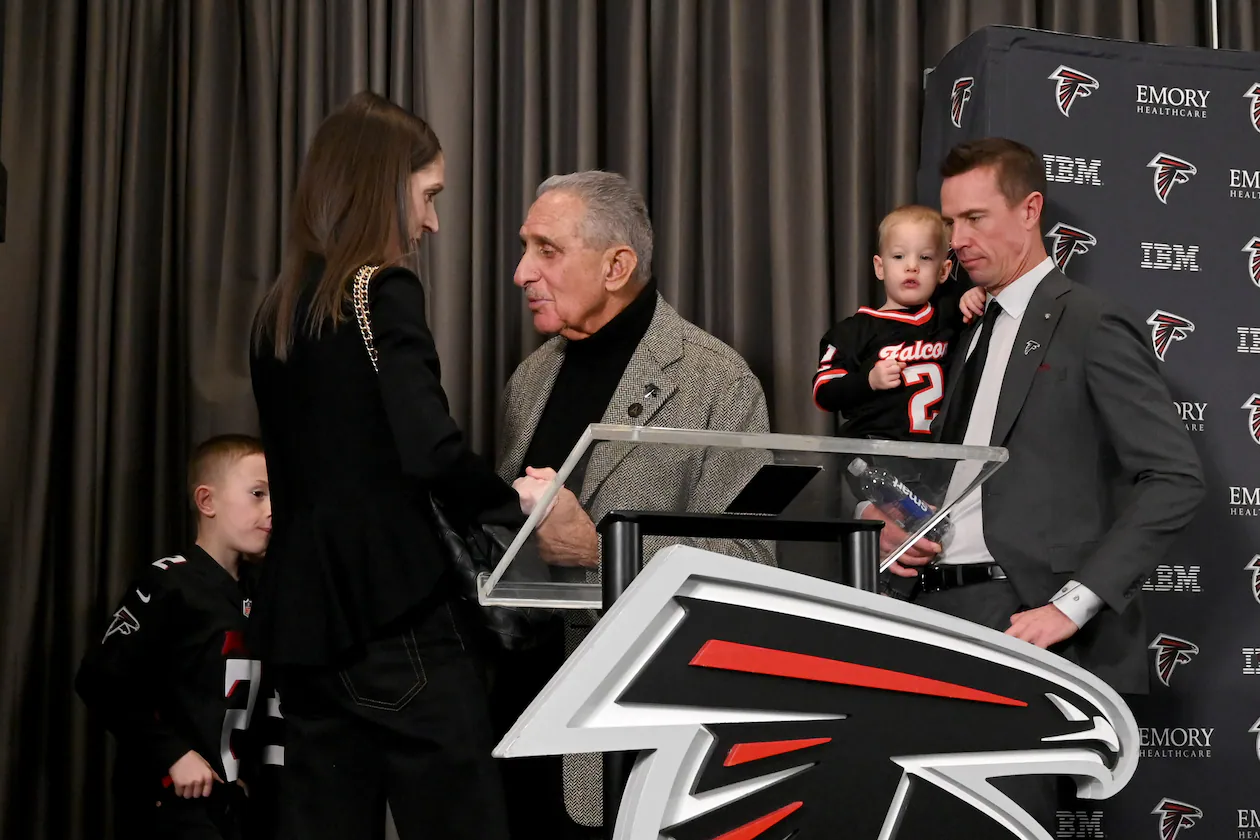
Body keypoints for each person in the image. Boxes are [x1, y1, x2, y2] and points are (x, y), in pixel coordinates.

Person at [865, 138, 1204, 835]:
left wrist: (1070, 607)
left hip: (1019, 622)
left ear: (1030, 211)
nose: (957, 240)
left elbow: (1175, 478)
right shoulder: (971, 329)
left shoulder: (1090, 322)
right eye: (950, 222)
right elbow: (961, 478)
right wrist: (895, 518)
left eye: (976, 218)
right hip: (932, 611)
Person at [249, 91, 541, 840]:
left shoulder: (278, 310)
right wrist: (517, 508)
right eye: (429, 195)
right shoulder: (382, 289)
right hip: (395, 613)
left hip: (301, 623)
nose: (432, 223)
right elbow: (431, 448)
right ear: (383, 184)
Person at [492, 170, 775, 838]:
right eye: (525, 248)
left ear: (616, 266)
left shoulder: (718, 380)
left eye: (546, 250)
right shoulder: (529, 379)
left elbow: (751, 562)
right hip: (512, 726)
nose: (521, 272)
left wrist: (600, 551)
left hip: (632, 747)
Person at [75, 434, 272, 840]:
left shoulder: (263, 591)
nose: (271, 510)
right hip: (173, 805)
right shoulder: (168, 583)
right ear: (207, 501)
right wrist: (173, 753)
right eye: (257, 494)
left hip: (236, 808)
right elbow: (99, 680)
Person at [813, 204, 986, 438]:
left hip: (936, 454)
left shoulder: (951, 318)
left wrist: (976, 297)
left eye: (925, 257)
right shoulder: (853, 332)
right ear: (880, 267)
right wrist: (868, 381)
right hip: (871, 451)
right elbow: (824, 393)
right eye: (898, 256)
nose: (911, 267)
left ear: (944, 271)